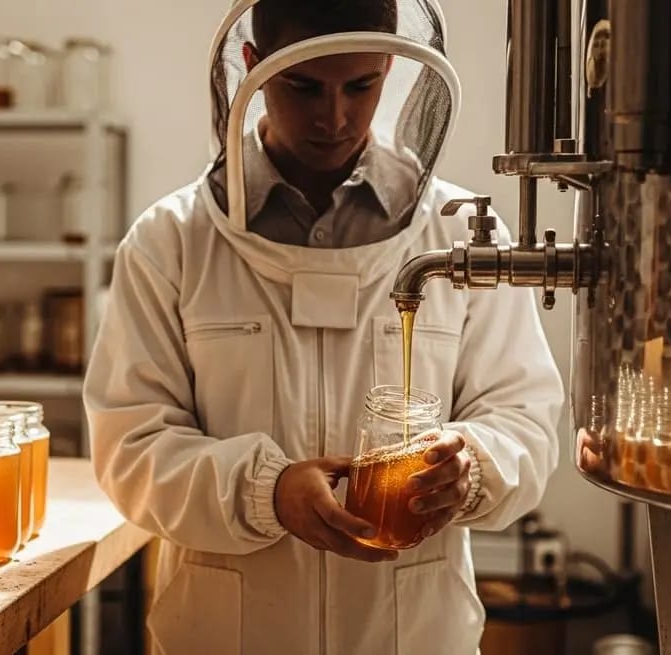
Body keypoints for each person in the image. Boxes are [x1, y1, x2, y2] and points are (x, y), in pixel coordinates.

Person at [84, 0, 564, 652]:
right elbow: (130, 447)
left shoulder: (458, 236)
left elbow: (523, 420)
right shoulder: (170, 243)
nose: (333, 116)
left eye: (360, 86)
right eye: (304, 86)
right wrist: (268, 491)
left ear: (392, 66)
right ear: (253, 68)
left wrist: (470, 465)